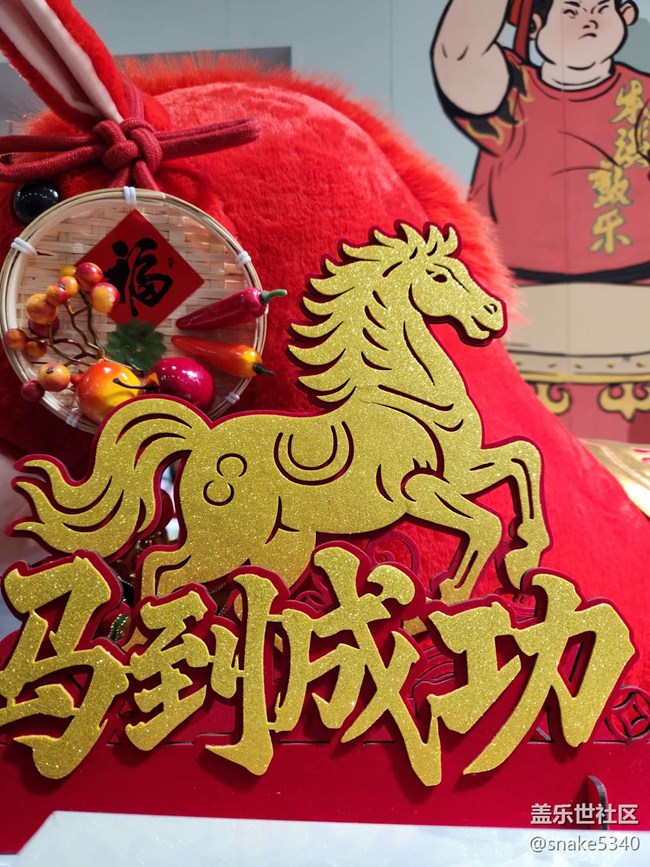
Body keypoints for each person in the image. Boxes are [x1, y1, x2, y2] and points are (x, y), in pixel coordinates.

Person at [432, 1, 650, 284]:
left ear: (625, 16)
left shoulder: (642, 95)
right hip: (512, 285)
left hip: (638, 281)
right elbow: (459, 54)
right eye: (571, 11)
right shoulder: (510, 90)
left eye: (601, 9)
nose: (590, 21)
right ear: (534, 26)